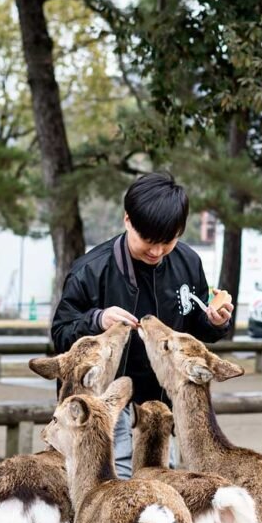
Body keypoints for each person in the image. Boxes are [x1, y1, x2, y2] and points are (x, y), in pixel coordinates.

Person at [51, 171, 233, 477]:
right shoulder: (91, 270)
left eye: (168, 241)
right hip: (106, 405)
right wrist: (98, 319)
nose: (156, 251)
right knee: (116, 490)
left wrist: (215, 322)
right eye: (147, 240)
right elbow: (60, 334)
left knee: (164, 484)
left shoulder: (189, 262)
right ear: (127, 220)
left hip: (160, 406)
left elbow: (195, 326)